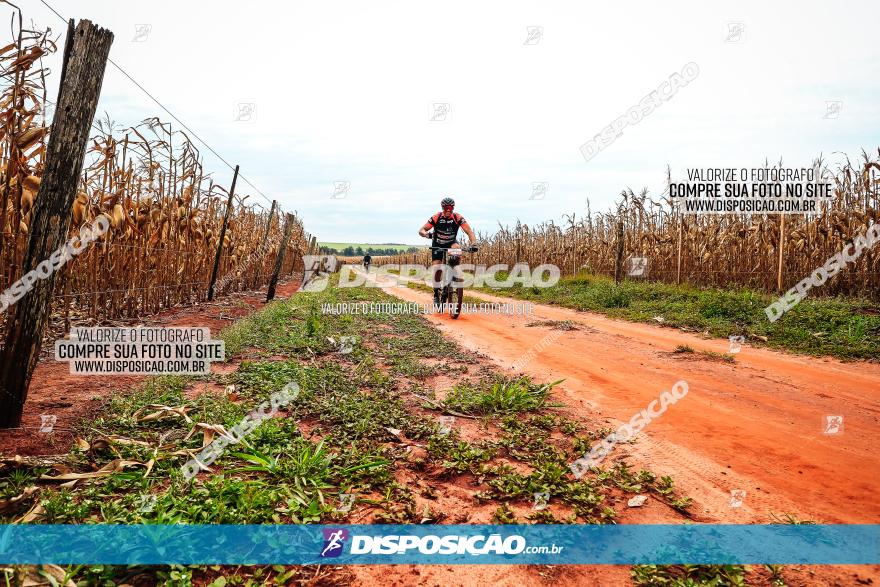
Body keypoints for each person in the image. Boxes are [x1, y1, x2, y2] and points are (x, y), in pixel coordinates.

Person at [418, 197, 477, 305]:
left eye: (451, 208)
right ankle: (436, 292)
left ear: (453, 208)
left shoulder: (457, 217)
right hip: (437, 244)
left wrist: (474, 244)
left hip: (451, 242)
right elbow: (421, 230)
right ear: (442, 208)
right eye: (446, 208)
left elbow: (469, 231)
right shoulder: (436, 217)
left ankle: (453, 271)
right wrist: (427, 235)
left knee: (456, 248)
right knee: (437, 268)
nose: (448, 210)